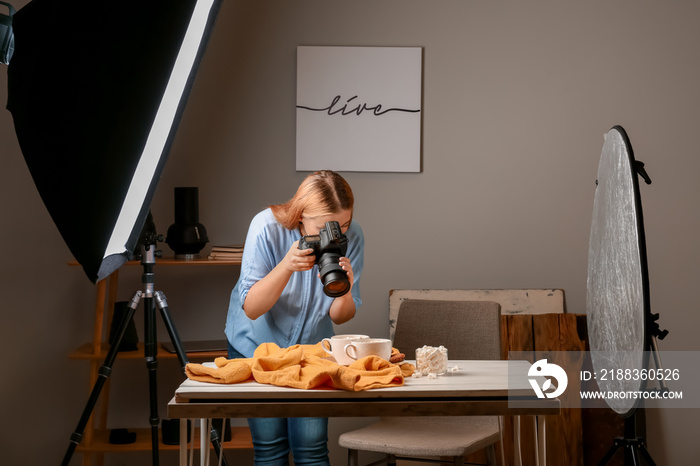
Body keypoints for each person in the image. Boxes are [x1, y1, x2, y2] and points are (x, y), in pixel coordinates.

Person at [224, 170, 364, 465]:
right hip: (256, 347)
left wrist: (345, 289)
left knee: (312, 449)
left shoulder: (353, 236)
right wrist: (286, 266)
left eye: (344, 225)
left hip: (311, 352)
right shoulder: (265, 227)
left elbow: (341, 316)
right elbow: (251, 307)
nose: (336, 234)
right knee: (270, 448)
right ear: (301, 215)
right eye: (326, 227)